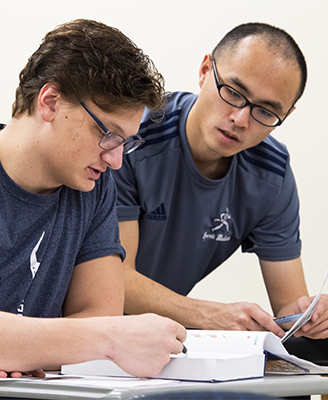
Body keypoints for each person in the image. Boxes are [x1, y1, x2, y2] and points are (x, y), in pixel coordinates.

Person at [0, 18, 187, 378]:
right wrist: (62, 345)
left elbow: (100, 315)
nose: (114, 159)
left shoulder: (92, 187)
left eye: (125, 143)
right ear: (49, 102)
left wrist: (4, 349)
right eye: (108, 133)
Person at [111, 22, 328, 341]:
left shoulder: (272, 174)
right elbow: (116, 280)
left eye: (266, 112)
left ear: (286, 115)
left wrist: (310, 318)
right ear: (204, 70)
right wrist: (209, 316)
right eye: (234, 93)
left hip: (160, 343)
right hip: (77, 326)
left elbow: (286, 306)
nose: (240, 119)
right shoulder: (131, 140)